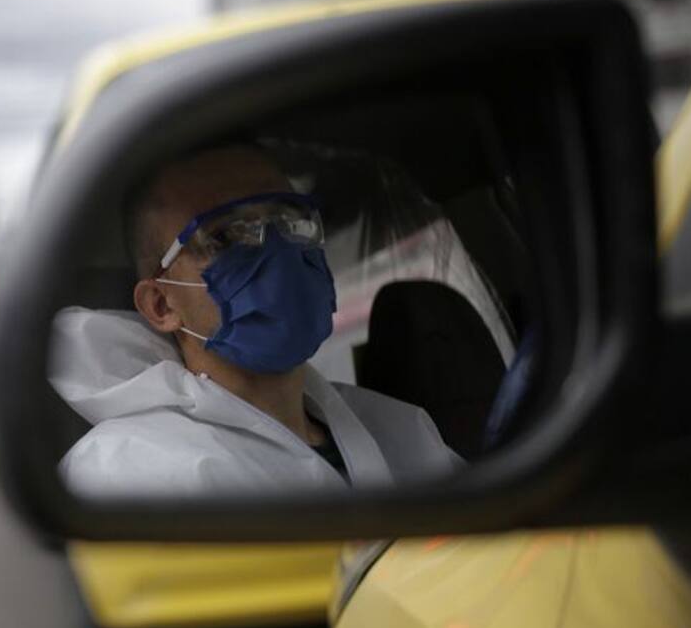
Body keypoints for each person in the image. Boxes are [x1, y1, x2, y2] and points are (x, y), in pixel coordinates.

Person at [51, 145, 465, 497]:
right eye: (227, 237)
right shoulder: (125, 472)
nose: (278, 250)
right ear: (161, 305)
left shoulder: (401, 431)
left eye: (289, 220)